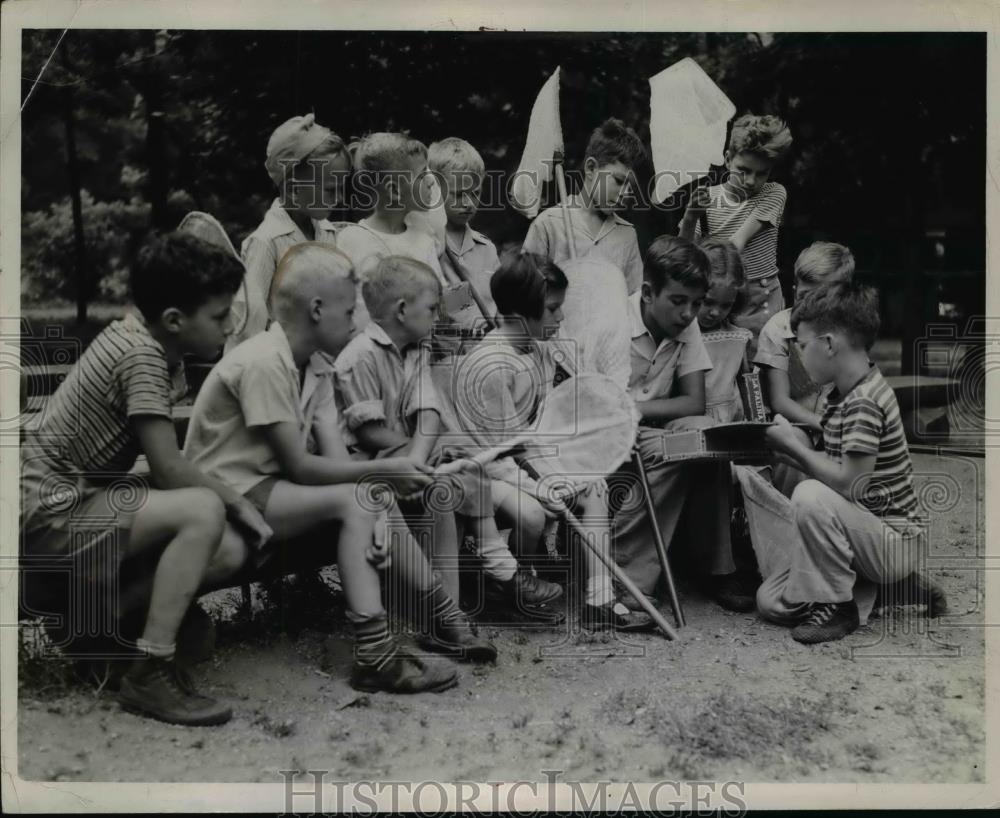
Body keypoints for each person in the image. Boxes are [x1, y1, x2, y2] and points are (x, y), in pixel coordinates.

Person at [184, 243, 495, 690]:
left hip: (273, 491)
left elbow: (333, 463)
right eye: (349, 312)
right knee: (363, 499)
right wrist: (383, 479)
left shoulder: (316, 368)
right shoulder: (265, 361)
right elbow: (302, 467)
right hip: (229, 497)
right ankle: (384, 650)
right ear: (316, 310)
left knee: (366, 499)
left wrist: (379, 502)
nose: (355, 321)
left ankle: (435, 623)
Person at [20, 232, 272, 726]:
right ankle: (149, 672)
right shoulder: (141, 356)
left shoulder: (146, 341)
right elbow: (169, 468)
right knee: (205, 509)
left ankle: (95, 630)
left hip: (78, 502)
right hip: (52, 512)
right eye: (220, 316)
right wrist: (241, 504)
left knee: (223, 549)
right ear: (175, 320)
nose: (230, 325)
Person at [334, 255, 564, 614]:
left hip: (404, 455)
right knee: (453, 468)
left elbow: (428, 413)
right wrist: (418, 453)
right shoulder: (361, 356)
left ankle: (487, 578)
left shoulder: (414, 351)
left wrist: (425, 451)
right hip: (363, 464)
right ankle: (497, 574)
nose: (439, 316)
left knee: (459, 459)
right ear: (401, 310)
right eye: (431, 308)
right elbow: (368, 434)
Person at [452, 253, 655, 631]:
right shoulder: (491, 366)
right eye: (551, 309)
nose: (561, 319)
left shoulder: (540, 346)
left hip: (524, 460)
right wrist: (540, 484)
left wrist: (608, 430)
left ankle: (600, 600)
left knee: (593, 488)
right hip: (484, 469)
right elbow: (498, 452)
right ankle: (509, 587)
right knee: (532, 511)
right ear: (518, 314)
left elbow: (549, 421)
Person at [760, 282, 945, 643]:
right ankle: (892, 590)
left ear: (828, 344)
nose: (798, 356)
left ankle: (841, 607)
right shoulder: (838, 394)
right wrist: (780, 449)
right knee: (771, 603)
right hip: (864, 533)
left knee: (809, 495)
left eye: (801, 346)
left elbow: (847, 484)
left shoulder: (864, 400)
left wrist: (795, 451)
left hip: (893, 540)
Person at [611, 236, 756, 613]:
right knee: (677, 448)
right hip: (609, 434)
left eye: (696, 302)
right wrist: (630, 413)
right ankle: (627, 579)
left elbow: (694, 401)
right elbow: (598, 406)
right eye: (678, 301)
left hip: (645, 422)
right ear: (647, 293)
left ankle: (716, 568)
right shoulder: (611, 321)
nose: (689, 314)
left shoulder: (685, 322)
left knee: (708, 435)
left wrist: (638, 408)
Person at [228, 114, 351, 349]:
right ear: (294, 190)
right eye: (330, 189)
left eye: (341, 187)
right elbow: (246, 325)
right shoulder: (266, 242)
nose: (340, 197)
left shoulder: (328, 233)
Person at [680, 114, 793, 338]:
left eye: (762, 173)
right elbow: (683, 257)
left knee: (763, 363)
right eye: (744, 170)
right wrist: (691, 218)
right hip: (717, 299)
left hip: (761, 298)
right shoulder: (707, 199)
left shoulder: (773, 193)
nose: (751, 181)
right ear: (728, 159)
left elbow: (734, 247)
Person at [335, 133, 452, 332]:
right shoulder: (352, 240)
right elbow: (347, 313)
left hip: (422, 352)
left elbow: (443, 302)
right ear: (395, 191)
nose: (431, 181)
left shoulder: (423, 235)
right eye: (422, 174)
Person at [521, 118, 646, 295]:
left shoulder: (627, 235)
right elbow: (523, 293)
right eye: (618, 181)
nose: (626, 193)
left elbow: (634, 299)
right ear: (591, 168)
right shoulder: (548, 224)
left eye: (630, 186)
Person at [429, 137, 500, 331]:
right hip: (448, 353)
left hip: (490, 347)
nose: (468, 203)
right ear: (435, 189)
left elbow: (501, 304)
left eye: (475, 193)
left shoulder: (487, 249)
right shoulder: (430, 246)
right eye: (459, 194)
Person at [696, 237, 754, 424]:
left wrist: (755, 418)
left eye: (725, 305)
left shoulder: (738, 337)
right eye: (708, 302)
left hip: (733, 419)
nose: (715, 312)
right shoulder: (683, 337)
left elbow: (747, 383)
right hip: (694, 420)